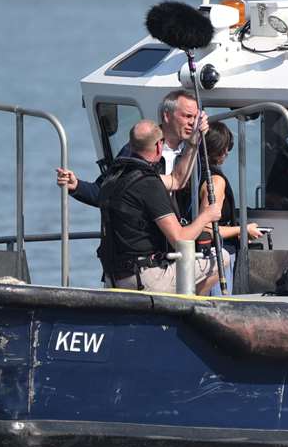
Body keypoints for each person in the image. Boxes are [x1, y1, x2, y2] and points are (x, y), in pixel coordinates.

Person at [97, 119, 221, 292]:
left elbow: (177, 180)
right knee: (221, 259)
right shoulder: (149, 184)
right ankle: (187, 313)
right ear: (158, 146)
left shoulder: (114, 178)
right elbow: (180, 240)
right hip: (143, 280)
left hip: (113, 278)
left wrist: (193, 144)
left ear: (131, 146)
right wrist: (207, 215)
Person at [57, 89, 206, 207]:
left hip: (183, 238)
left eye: (195, 117)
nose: (193, 123)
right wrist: (76, 186)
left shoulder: (196, 150)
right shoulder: (137, 148)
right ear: (166, 116)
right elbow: (106, 191)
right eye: (187, 116)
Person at [192, 124, 264, 294]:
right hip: (216, 257)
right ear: (222, 149)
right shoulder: (216, 181)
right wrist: (243, 229)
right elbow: (207, 229)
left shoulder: (191, 173)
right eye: (228, 147)